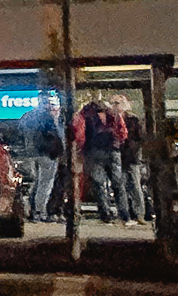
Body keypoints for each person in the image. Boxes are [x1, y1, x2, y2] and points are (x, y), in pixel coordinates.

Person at [73, 95, 125, 224]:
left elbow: (80, 134)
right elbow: (123, 132)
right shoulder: (114, 115)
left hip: (94, 151)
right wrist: (118, 143)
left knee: (99, 183)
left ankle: (105, 212)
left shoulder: (85, 115)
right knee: (118, 183)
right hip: (113, 150)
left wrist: (81, 150)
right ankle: (124, 213)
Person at [22, 93, 65, 223]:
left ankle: (31, 209)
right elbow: (54, 135)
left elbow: (21, 131)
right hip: (47, 154)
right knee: (45, 184)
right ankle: (40, 211)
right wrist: (57, 151)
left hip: (31, 153)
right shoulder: (47, 117)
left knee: (36, 182)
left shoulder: (28, 115)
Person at [112, 93, 148, 226]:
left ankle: (139, 213)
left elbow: (140, 137)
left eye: (118, 103)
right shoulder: (111, 121)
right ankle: (124, 214)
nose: (115, 106)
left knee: (135, 185)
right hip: (118, 156)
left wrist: (135, 151)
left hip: (132, 156)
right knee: (120, 186)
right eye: (113, 103)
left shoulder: (133, 120)